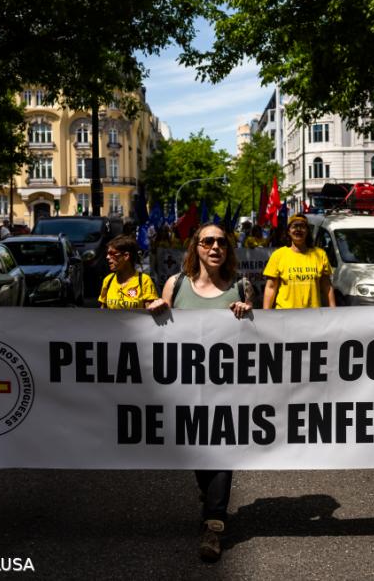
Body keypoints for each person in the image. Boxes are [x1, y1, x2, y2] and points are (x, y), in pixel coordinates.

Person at [145, 223, 253, 562]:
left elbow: (261, 339)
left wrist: (250, 314)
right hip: (186, 389)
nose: (216, 247)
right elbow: (159, 330)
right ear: (197, 247)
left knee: (221, 451)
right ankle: (210, 500)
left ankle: (214, 524)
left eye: (222, 242)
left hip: (228, 390)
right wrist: (154, 310)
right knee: (199, 453)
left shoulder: (241, 287)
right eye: (208, 241)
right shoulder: (176, 285)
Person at [262, 214, 335, 309]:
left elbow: (327, 286)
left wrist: (333, 310)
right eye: (294, 226)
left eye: (302, 226)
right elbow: (271, 287)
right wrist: (265, 314)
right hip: (285, 315)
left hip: (313, 315)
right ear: (288, 231)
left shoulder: (320, 254)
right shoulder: (278, 255)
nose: (298, 229)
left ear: (307, 231)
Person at [98, 234, 159, 309]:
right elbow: (102, 312)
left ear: (126, 256)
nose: (107, 257)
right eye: (107, 254)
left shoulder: (144, 281)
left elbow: (150, 313)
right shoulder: (108, 281)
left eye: (112, 254)